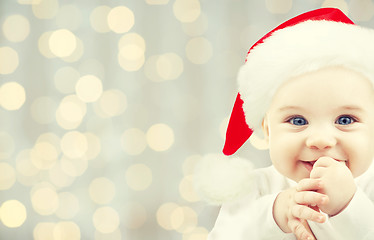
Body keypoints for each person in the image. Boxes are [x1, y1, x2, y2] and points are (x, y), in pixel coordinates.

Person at [197, 8, 374, 240]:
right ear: (268, 130)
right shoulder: (255, 189)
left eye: (345, 120)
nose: (320, 140)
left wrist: (348, 205)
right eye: (298, 121)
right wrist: (275, 213)